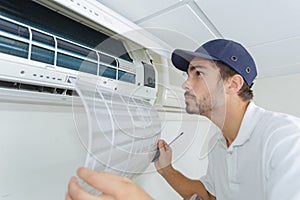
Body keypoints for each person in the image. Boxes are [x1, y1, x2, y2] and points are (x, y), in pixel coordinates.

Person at [66, 39, 300, 200]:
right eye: (187, 74)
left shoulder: (285, 138)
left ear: (233, 84)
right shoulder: (217, 146)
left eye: (198, 73)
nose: (185, 84)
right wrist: (167, 169)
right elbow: (210, 196)